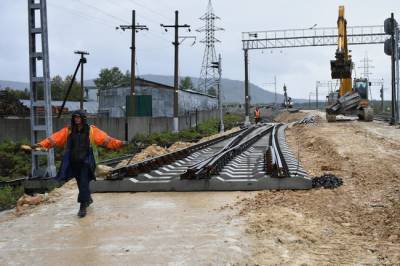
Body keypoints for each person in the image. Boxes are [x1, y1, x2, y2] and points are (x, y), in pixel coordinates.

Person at [35, 110, 126, 218]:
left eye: (78, 117)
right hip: (73, 162)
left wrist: (119, 143)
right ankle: (88, 199)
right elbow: (54, 139)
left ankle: (82, 207)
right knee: (81, 184)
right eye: (75, 117)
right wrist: (40, 145)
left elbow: (106, 140)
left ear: (83, 118)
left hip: (86, 162)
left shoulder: (91, 131)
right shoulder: (68, 131)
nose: (76, 119)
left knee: (83, 182)